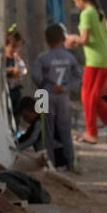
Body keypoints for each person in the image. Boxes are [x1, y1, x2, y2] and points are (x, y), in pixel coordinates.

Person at [63, 0, 107, 142]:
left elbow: (85, 39)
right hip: (105, 59)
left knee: (86, 96)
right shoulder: (98, 12)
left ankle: (92, 133)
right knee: (94, 97)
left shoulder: (87, 14)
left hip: (95, 61)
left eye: (75, 1)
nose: (76, 5)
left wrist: (73, 39)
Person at [28, 24, 81, 170]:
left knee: (47, 130)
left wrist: (44, 85)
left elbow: (35, 75)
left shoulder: (43, 58)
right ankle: (71, 164)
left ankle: (49, 163)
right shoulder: (70, 58)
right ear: (63, 39)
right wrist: (66, 87)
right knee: (65, 130)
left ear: (46, 40)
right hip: (63, 95)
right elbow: (78, 77)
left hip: (45, 94)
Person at [3, 27, 27, 119]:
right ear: (6, 45)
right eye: (13, 47)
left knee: (15, 114)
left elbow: (23, 71)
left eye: (18, 47)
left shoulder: (16, 60)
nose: (15, 50)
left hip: (15, 91)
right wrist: (9, 71)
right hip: (5, 92)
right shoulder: (2, 58)